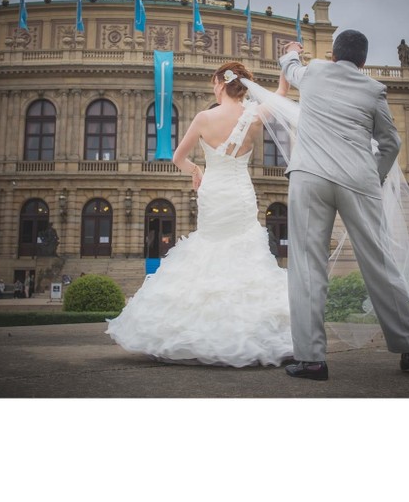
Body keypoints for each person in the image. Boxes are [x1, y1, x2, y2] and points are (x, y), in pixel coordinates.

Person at [106, 61, 294, 367]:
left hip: (213, 191)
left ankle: (195, 327)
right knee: (244, 250)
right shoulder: (254, 115)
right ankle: (245, 326)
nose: (213, 88)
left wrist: (197, 171)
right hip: (240, 190)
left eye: (213, 83)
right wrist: (287, 64)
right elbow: (282, 91)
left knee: (209, 246)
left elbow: (178, 156)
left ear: (221, 83)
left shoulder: (205, 117)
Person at [278, 31, 409, 381]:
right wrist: (373, 177)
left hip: (310, 175)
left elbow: (289, 67)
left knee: (307, 265)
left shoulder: (312, 72)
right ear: (362, 62)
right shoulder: (373, 90)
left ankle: (312, 360)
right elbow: (391, 142)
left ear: (332, 56)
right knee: (379, 259)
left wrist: (292, 52)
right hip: (358, 179)